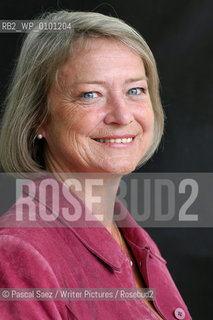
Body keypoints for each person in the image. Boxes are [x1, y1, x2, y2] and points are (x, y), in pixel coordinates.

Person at [0, 10, 191, 320]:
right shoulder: (17, 251)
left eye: (134, 91)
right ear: (36, 117)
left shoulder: (132, 239)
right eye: (91, 94)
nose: (122, 116)